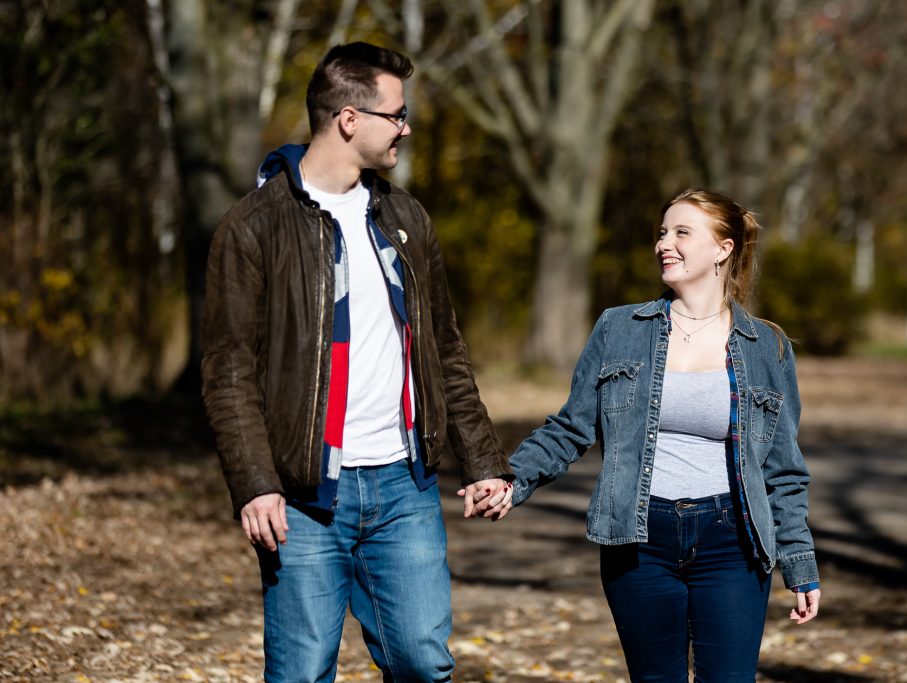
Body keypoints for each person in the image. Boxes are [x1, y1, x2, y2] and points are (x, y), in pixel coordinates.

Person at [201, 42, 512, 683]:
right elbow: (228, 371)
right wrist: (254, 481)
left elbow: (444, 349)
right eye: (395, 115)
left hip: (405, 486)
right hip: (306, 494)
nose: (405, 127)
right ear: (349, 118)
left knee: (424, 665)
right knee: (303, 672)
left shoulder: (404, 217)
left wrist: (482, 459)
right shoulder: (253, 227)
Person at [471, 188, 821, 681]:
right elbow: (572, 426)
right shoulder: (620, 328)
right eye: (661, 233)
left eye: (682, 232)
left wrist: (799, 561)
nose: (664, 244)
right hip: (638, 538)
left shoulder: (767, 346)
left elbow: (783, 470)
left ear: (724, 249)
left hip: (733, 540)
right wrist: (513, 480)